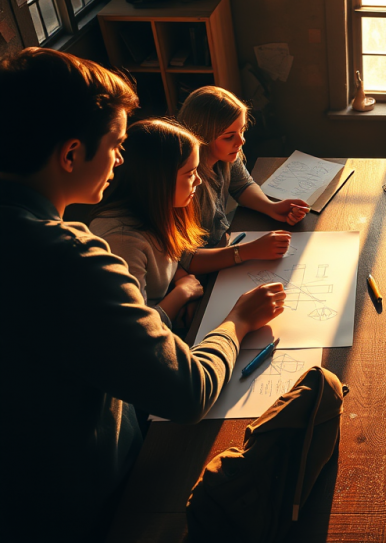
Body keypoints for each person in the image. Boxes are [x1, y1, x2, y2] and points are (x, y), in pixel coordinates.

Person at [0, 49, 287, 543]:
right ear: (70, 154)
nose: (120, 158)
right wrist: (238, 319)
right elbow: (189, 390)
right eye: (115, 143)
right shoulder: (74, 260)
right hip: (83, 505)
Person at [90, 119, 293, 330]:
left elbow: (179, 256)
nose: (198, 181)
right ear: (158, 181)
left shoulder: (158, 208)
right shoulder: (122, 241)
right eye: (190, 174)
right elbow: (137, 330)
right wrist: (182, 293)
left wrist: (187, 282)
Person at [177, 86, 309, 247]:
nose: (241, 141)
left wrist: (271, 207)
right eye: (229, 137)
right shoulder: (187, 183)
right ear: (201, 139)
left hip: (220, 246)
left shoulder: (225, 156)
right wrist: (245, 251)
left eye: (242, 130)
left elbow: (242, 186)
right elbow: (186, 259)